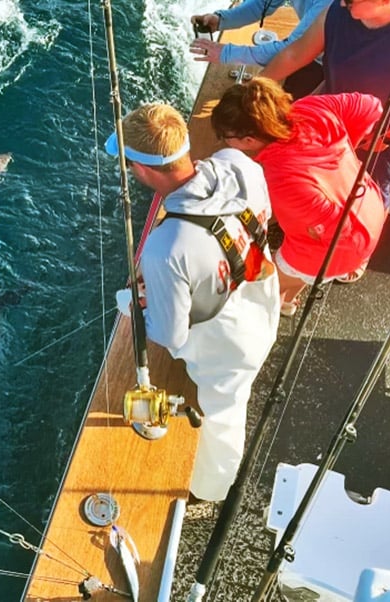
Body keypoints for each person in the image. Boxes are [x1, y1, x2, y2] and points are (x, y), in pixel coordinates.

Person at [105, 104, 280, 502]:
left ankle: (212, 493)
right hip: (262, 302)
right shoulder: (238, 165)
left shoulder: (165, 249)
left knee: (224, 418)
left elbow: (169, 334)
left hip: (230, 349)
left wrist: (131, 304)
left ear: (142, 169)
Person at [211, 77, 387, 314]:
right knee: (299, 268)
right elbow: (371, 107)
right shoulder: (311, 108)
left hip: (346, 245)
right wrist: (346, 148)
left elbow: (338, 229)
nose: (224, 142)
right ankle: (289, 302)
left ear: (249, 140)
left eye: (225, 137)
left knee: (265, 287)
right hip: (371, 209)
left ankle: (273, 310)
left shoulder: (281, 178)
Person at [260, 0, 390, 215]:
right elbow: (294, 55)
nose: (341, 2)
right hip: (324, 125)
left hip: (374, 148)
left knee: (361, 214)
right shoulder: (336, 13)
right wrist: (255, 88)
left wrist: (385, 138)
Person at [189, 0, 331, 97]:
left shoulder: (328, 4)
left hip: (333, 68)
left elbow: (293, 51)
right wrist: (222, 20)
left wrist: (226, 53)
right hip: (310, 54)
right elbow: (261, 4)